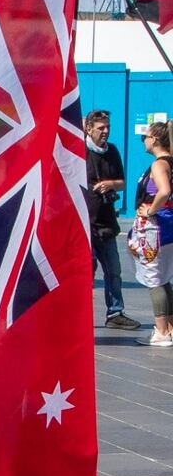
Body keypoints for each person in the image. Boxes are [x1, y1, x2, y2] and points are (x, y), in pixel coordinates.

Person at [85, 109, 141, 331]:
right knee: (85, 272)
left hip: (107, 222)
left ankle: (115, 312)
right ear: (89, 129)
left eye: (107, 127)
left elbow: (122, 182)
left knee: (114, 271)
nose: (105, 131)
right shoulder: (79, 151)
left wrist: (110, 185)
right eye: (101, 128)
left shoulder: (113, 151)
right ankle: (81, 315)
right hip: (86, 223)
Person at [132, 121, 173, 346]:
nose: (144, 141)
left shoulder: (160, 164)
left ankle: (161, 331)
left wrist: (151, 209)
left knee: (154, 276)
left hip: (157, 226)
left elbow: (165, 190)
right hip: (167, 225)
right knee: (165, 276)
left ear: (155, 139)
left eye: (144, 137)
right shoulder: (170, 162)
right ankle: (170, 327)